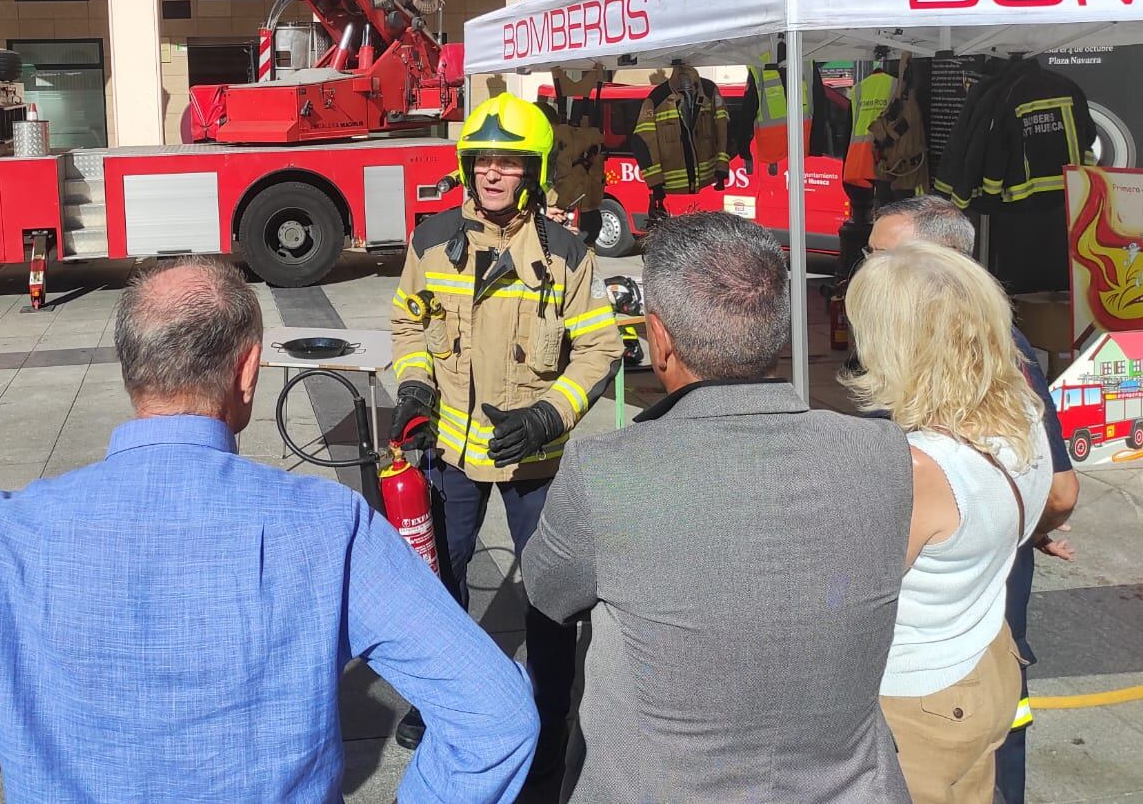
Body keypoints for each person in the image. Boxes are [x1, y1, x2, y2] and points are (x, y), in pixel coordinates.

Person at [0, 258, 540, 803]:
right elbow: (497, 718)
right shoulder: (329, 526)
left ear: (132, 370)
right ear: (249, 372)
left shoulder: (9, 537)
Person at [523, 211, 913, 804]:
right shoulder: (883, 453)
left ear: (660, 338)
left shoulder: (606, 469)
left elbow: (548, 593)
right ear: (779, 333)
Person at [389, 92, 624, 774]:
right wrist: (412, 389)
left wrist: (550, 414)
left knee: (549, 591)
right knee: (439, 579)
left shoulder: (566, 254)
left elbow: (600, 350)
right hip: (453, 454)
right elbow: (407, 323)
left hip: (534, 460)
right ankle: (440, 699)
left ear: (533, 171)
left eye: (509, 162)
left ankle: (552, 705)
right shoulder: (432, 239)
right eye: (482, 160)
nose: (493, 174)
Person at [866, 197, 1079, 803]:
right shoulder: (1002, 405)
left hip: (931, 689)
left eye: (890, 260)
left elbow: (853, 588)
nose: (871, 274)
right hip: (980, 657)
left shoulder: (930, 461)